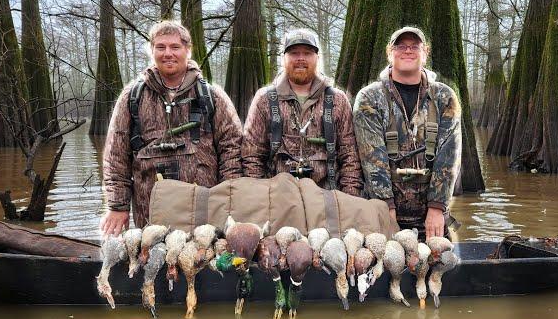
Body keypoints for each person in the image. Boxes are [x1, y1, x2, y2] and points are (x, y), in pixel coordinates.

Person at [100, 21, 243, 236]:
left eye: (175, 47)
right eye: (160, 47)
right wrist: (117, 206)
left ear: (188, 50)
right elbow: (115, 156)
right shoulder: (132, 96)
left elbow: (232, 150)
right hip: (149, 214)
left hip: (204, 214)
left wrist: (229, 201)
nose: (168, 53)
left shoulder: (212, 96)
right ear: (151, 51)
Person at [353, 26, 461, 240]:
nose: (408, 51)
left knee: (441, 266)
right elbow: (372, 159)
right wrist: (387, 212)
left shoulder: (444, 97)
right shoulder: (369, 98)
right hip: (383, 214)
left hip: (431, 217)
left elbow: (450, 156)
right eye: (401, 46)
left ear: (425, 52)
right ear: (389, 52)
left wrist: (437, 208)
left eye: (415, 46)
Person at [242, 28, 363, 196]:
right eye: (294, 53)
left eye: (307, 53)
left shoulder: (338, 100)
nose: (300, 59)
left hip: (328, 201)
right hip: (277, 201)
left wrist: (348, 202)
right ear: (283, 59)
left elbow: (350, 158)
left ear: (317, 58)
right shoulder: (264, 99)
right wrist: (262, 201)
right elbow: (251, 156)